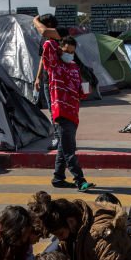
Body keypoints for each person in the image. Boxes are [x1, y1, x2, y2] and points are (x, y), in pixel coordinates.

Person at [40, 35, 93, 192]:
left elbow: (79, 92)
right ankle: (80, 180)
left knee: (64, 148)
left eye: (72, 51)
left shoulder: (74, 67)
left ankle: (58, 178)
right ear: (60, 50)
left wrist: (85, 91)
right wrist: (58, 46)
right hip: (61, 112)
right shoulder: (54, 66)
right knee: (70, 149)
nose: (69, 54)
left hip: (73, 112)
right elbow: (48, 44)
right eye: (66, 51)